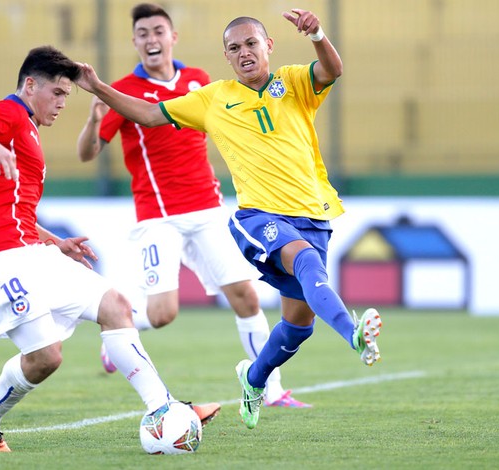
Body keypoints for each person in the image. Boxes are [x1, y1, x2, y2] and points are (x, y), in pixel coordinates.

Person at [73, 6, 383, 431]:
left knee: (293, 323)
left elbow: (333, 69)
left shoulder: (285, 81)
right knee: (298, 264)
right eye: (234, 48)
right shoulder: (206, 95)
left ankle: (257, 382)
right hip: (221, 214)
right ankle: (354, 334)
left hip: (288, 210)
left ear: (268, 46)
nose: (244, 53)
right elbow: (143, 117)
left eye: (251, 44)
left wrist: (317, 34)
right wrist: (97, 88)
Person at [0, 45, 219, 452]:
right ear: (30, 85)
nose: (62, 104)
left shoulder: (26, 127)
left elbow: (9, 207)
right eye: (57, 93)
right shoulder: (6, 115)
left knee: (116, 306)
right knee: (46, 358)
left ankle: (162, 408)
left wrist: (55, 241)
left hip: (30, 250)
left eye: (66, 96)